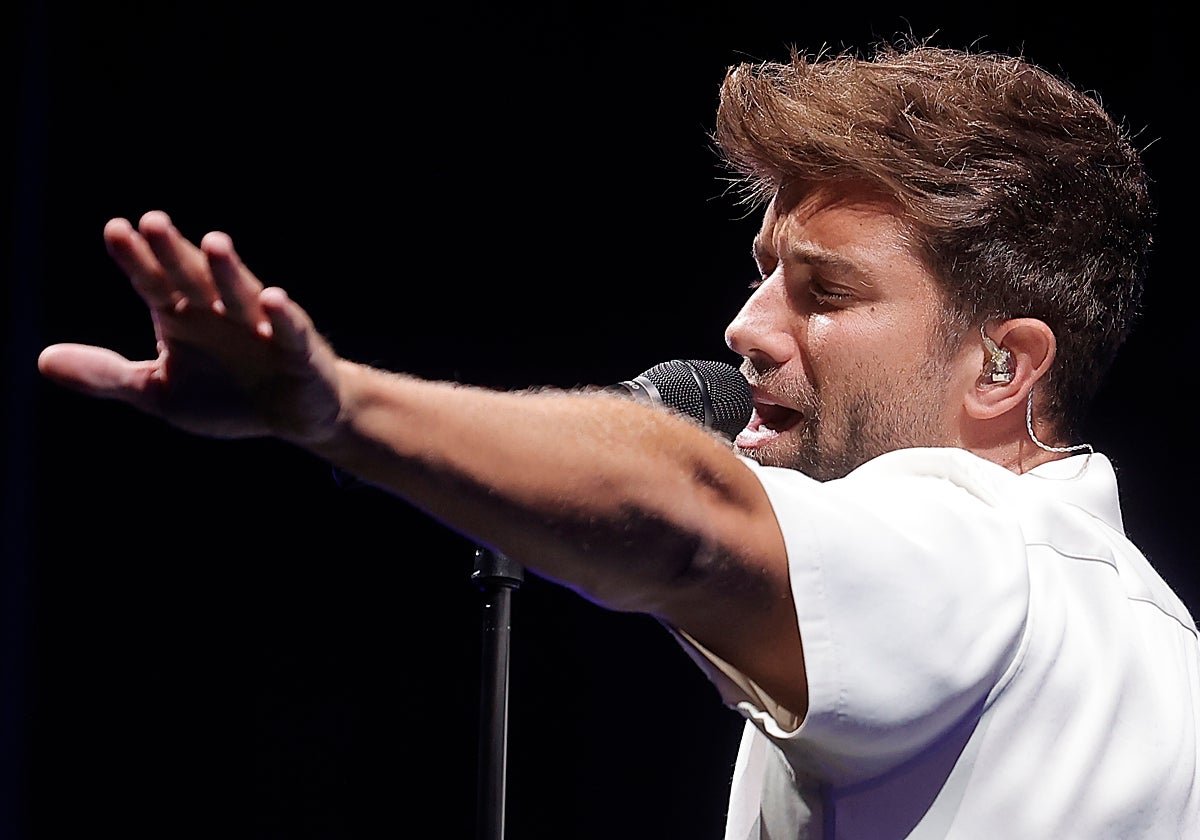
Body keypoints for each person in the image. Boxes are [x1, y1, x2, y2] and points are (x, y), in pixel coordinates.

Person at [37, 40, 1199, 838]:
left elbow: (685, 516)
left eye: (826, 293)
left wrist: (335, 408)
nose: (747, 329)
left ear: (1003, 365)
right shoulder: (1145, 632)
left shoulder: (975, 556)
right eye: (764, 275)